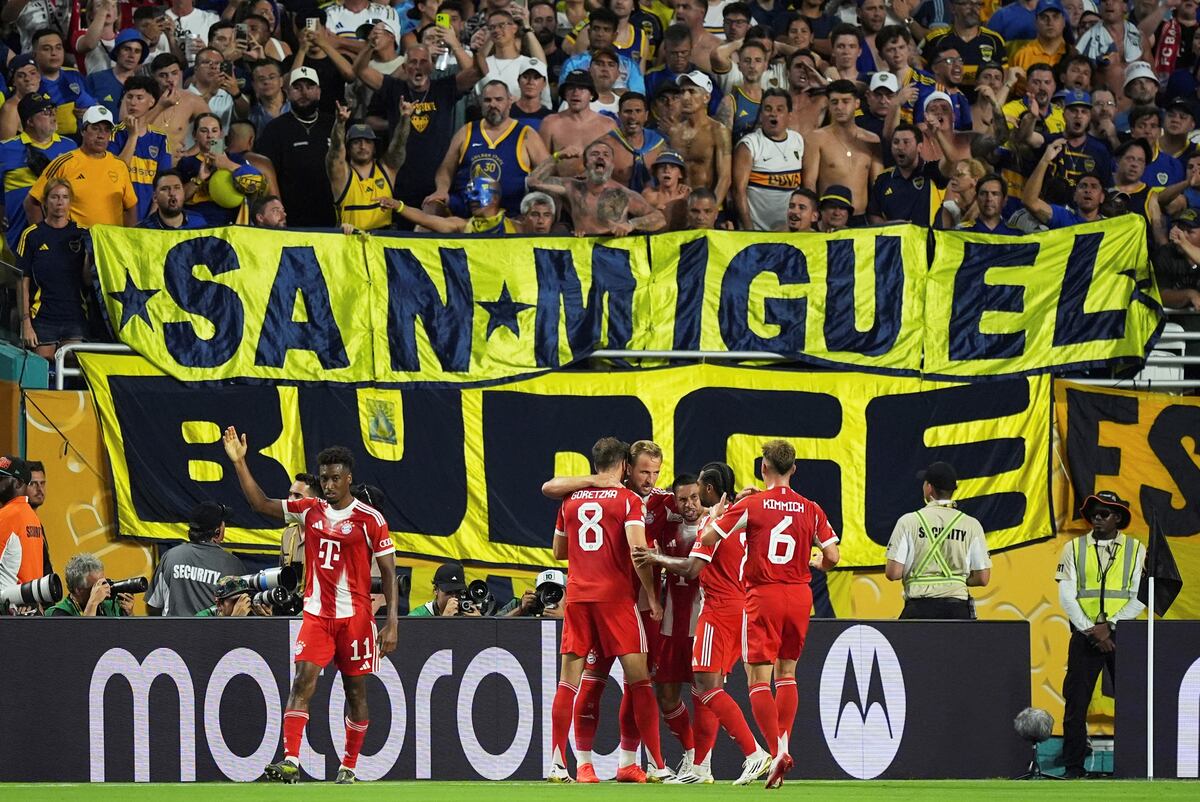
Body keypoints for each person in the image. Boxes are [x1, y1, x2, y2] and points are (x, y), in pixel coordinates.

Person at [222, 428, 399, 785]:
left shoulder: (371, 520)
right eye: (325, 479)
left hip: (356, 618)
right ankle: (290, 761)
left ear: (348, 478)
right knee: (303, 680)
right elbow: (260, 504)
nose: (329, 485)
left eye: (335, 479)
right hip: (317, 616)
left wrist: (392, 621)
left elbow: (389, 573)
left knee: (355, 692)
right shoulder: (309, 511)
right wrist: (240, 462)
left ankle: (348, 764)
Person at [699, 440, 839, 789]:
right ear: (793, 469)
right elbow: (833, 556)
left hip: (763, 594)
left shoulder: (753, 504)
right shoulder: (811, 508)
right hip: (799, 596)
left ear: (763, 468)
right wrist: (818, 562)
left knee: (758, 679)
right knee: (787, 673)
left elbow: (712, 536)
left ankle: (775, 752)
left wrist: (718, 518)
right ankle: (785, 748)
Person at [632, 463, 772, 785]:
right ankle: (701, 767)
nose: (690, 502)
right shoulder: (736, 517)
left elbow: (693, 567)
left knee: (707, 689)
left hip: (717, 612)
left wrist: (656, 559)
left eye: (698, 491)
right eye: (683, 498)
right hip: (734, 610)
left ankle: (747, 755)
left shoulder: (715, 524)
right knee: (702, 688)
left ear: (708, 490)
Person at [546, 436, 671, 783]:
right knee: (640, 682)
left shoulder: (570, 500)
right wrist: (653, 595)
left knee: (568, 683)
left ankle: (559, 763)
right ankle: (659, 765)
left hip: (578, 597)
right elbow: (637, 551)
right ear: (625, 466)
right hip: (616, 599)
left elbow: (559, 550)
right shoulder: (628, 499)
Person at [1055, 490, 1146, 779]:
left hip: (1123, 636)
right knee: (1076, 701)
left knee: (1132, 702)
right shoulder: (1073, 548)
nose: (1097, 516)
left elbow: (1140, 596)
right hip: (1085, 635)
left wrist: (1112, 626)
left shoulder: (1135, 549)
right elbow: (1066, 595)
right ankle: (1073, 767)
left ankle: (1134, 765)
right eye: (1093, 511)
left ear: (1118, 517)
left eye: (1104, 512)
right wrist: (1092, 630)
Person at [884, 461, 991, 619]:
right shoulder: (971, 525)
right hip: (958, 611)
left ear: (929, 487)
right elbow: (983, 577)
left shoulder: (908, 522)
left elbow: (893, 573)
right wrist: (956, 580)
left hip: (918, 611)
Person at [429, 80, 548, 217]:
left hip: (509, 214)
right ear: (480, 103)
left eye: (498, 99)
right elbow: (446, 169)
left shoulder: (526, 134)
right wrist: (442, 190)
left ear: (510, 101)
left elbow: (547, 171)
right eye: (487, 100)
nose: (493, 104)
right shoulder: (467, 131)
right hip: (465, 208)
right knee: (431, 206)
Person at [17, 179, 91, 360]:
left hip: (74, 317)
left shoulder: (83, 234)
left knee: (74, 376)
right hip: (43, 318)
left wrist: (90, 256)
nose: (60, 202)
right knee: (40, 378)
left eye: (65, 197)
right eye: (55, 197)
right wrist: (25, 322)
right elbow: (22, 282)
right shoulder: (32, 235)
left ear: (70, 202)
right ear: (45, 202)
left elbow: (88, 281)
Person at [528, 139, 666, 235]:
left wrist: (631, 224)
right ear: (586, 163)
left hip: (614, 257)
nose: (600, 157)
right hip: (582, 257)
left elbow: (659, 218)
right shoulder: (572, 187)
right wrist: (557, 156)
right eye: (595, 154)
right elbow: (533, 181)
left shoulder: (624, 194)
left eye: (606, 155)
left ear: (611, 164)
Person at [256, 68, 337, 228]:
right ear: (287, 92)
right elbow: (266, 173)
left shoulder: (335, 124)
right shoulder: (275, 128)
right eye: (297, 87)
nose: (304, 92)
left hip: (332, 213)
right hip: (292, 216)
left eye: (310, 87)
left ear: (319, 92)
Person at [144, 501, 248, 616]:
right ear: (217, 532)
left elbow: (153, 606)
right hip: (213, 633)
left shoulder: (170, 556)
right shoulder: (232, 564)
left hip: (173, 632)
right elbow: (242, 609)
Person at [803, 79, 882, 219]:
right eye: (834, 102)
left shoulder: (872, 140)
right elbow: (809, 183)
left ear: (856, 104)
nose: (840, 107)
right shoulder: (816, 138)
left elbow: (878, 185)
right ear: (828, 105)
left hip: (861, 219)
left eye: (846, 101)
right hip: (829, 219)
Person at [328, 104, 409, 232]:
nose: (362, 146)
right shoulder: (342, 175)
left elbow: (399, 144)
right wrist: (340, 123)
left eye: (368, 141)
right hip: (350, 240)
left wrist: (405, 118)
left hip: (382, 243)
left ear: (374, 147)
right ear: (348, 149)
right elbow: (335, 151)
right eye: (356, 142)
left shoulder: (386, 170)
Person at [732, 88, 804, 231]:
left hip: (789, 232)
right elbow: (738, 190)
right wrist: (749, 229)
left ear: (789, 115)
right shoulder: (750, 145)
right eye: (768, 109)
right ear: (761, 115)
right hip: (757, 231)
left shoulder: (798, 140)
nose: (773, 113)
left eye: (779, 109)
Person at [110, 76, 173, 222]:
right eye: (129, 97)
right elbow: (116, 171)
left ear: (151, 102)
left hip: (150, 214)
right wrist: (133, 137)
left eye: (139, 98)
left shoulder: (160, 138)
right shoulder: (114, 133)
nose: (133, 102)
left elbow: (162, 182)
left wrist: (152, 216)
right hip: (118, 214)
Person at [667, 71, 732, 207]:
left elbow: (725, 178)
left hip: (707, 204)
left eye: (692, 91)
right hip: (681, 204)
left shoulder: (718, 131)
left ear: (706, 98)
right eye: (682, 91)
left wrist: (711, 211)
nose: (685, 97)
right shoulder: (674, 132)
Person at [539, 70, 618, 177]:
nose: (576, 93)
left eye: (582, 89)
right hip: (559, 186)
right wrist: (558, 155)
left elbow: (616, 164)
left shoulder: (608, 125)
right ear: (565, 94)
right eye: (571, 88)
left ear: (591, 95)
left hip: (597, 187)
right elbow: (539, 166)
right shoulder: (550, 123)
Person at [869, 123, 950, 225]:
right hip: (896, 240)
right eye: (896, 142)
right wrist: (890, 226)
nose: (900, 147)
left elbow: (952, 161)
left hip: (929, 239)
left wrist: (939, 135)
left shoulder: (932, 171)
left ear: (919, 147)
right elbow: (874, 215)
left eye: (906, 142)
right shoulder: (883, 179)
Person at [920, 0, 1006, 87]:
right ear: (953, 8)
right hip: (945, 98)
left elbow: (1003, 75)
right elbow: (922, 71)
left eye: (978, 4)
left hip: (983, 98)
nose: (973, 9)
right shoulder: (935, 39)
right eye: (967, 4)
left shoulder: (994, 40)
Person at [32, 29, 98, 139]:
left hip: (82, 143)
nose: (54, 53)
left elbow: (96, 106)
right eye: (47, 49)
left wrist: (89, 112)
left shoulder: (75, 75)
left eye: (58, 47)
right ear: (34, 55)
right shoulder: (30, 82)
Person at [1022, 140, 1106, 227]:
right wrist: (1045, 160)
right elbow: (1029, 201)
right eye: (1083, 186)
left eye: (1094, 187)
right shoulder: (1063, 218)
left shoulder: (1111, 225)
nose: (1088, 190)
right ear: (1074, 196)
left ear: (1102, 197)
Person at [145, 54, 212, 155]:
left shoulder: (192, 100)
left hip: (177, 165)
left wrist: (190, 155)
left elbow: (217, 135)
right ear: (153, 76)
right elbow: (131, 131)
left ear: (180, 74)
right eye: (163, 75)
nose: (170, 79)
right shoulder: (142, 99)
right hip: (144, 163)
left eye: (174, 73)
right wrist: (160, 106)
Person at [85, 27, 150, 120]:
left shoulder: (146, 86)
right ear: (116, 51)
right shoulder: (95, 79)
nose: (132, 55)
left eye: (137, 51)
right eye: (127, 49)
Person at [0, 456, 46, 585]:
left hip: (10, 601)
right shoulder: (33, 518)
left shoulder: (6, 516)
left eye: (2, 478)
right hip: (29, 600)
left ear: (19, 483)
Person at [44, 553, 133, 617]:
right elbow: (83, 639)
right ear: (78, 590)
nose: (104, 589)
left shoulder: (109, 605)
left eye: (104, 582)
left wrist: (129, 614)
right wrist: (93, 603)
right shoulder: (58, 614)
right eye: (97, 586)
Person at [607, 91, 664, 190]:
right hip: (619, 202)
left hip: (653, 203)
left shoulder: (660, 143)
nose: (633, 117)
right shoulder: (606, 145)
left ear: (646, 115)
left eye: (638, 111)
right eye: (627, 111)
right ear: (619, 115)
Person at [138, 170, 208, 229]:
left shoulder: (199, 223)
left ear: (183, 193)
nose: (172, 193)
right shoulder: (143, 230)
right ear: (155, 197)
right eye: (165, 189)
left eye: (177, 188)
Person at [407, 561, 483, 616]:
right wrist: (444, 620)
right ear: (436, 590)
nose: (454, 597)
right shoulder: (417, 616)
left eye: (458, 592)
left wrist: (479, 623)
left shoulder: (467, 612)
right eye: (448, 592)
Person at [642, 149, 691, 230]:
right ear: (656, 173)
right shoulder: (649, 195)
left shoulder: (687, 194)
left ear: (680, 174)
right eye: (662, 167)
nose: (667, 170)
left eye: (672, 167)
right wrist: (654, 212)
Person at [194, 575, 273, 616]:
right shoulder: (202, 618)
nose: (243, 604)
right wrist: (234, 621)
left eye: (246, 598)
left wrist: (265, 623)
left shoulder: (251, 614)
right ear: (219, 604)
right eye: (236, 600)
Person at [500, 568, 568, 617]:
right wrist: (520, 610)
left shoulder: (574, 608)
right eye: (544, 590)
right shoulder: (522, 605)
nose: (550, 595)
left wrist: (566, 618)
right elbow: (493, 627)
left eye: (556, 591)